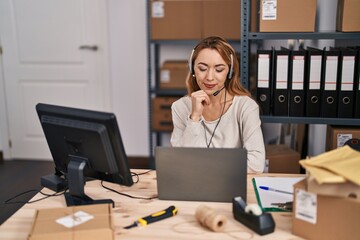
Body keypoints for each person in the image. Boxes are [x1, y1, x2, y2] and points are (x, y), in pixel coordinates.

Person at [170, 36, 265, 173]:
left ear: (230, 72)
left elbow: (256, 164)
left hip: (230, 184)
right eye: (202, 68)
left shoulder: (245, 107)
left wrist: (206, 168)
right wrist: (194, 117)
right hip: (193, 183)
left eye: (219, 70)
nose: (209, 77)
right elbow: (180, 161)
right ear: (192, 70)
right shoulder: (180, 107)